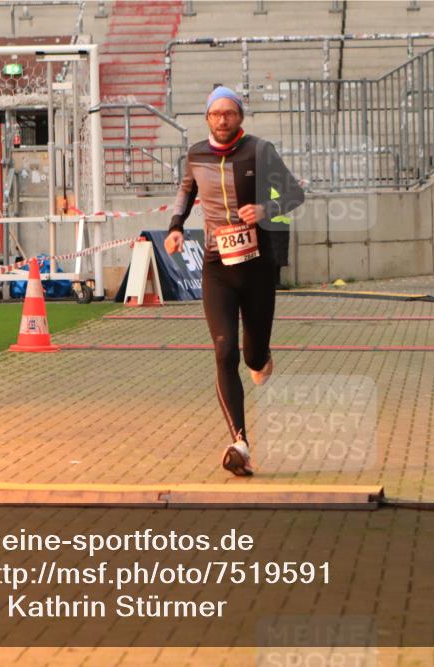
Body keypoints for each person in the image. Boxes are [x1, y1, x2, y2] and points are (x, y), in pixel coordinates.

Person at [164, 86, 304, 476]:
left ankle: (261, 356)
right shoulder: (195, 155)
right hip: (217, 265)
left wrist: (264, 208)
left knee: (251, 356)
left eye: (229, 113)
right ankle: (239, 442)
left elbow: (294, 194)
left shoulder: (260, 150)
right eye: (215, 113)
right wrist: (175, 227)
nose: (222, 119)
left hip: (258, 266)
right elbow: (184, 194)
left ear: (240, 116)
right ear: (207, 118)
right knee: (223, 351)